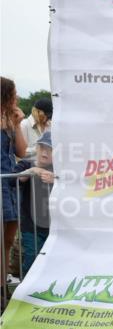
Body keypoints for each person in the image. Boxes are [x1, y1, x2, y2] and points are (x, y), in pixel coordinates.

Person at [1, 77, 28, 301]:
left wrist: (17, 125)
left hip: (8, 183)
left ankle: (4, 280)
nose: (17, 97)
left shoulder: (11, 119)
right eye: (14, 93)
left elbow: (21, 151)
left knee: (8, 238)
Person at [19, 131, 54, 274]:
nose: (45, 153)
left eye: (50, 150)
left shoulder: (59, 170)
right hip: (30, 225)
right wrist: (32, 170)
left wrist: (56, 180)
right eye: (42, 148)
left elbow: (71, 183)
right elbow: (14, 179)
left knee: (50, 260)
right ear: (37, 148)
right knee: (32, 258)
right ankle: (25, 290)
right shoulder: (26, 164)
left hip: (53, 226)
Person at [20, 98, 52, 163]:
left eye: (50, 116)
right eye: (46, 115)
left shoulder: (50, 125)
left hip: (48, 167)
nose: (48, 118)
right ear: (36, 111)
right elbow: (19, 153)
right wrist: (39, 149)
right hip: (28, 168)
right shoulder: (24, 125)